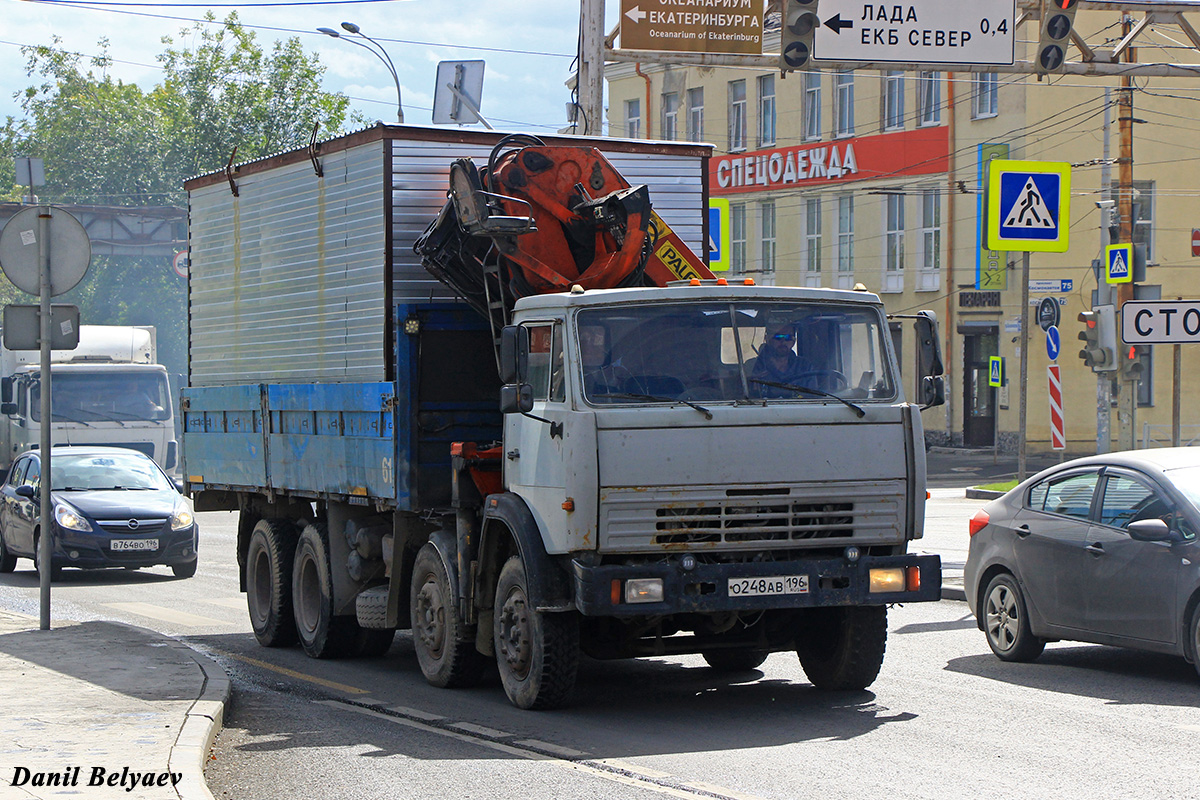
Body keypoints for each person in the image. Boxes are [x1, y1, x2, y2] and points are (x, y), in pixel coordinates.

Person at [746, 322, 817, 397]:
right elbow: (743, 400)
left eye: (788, 338)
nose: (783, 342)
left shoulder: (805, 366)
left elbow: (814, 398)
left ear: (793, 341)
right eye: (778, 337)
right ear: (767, 339)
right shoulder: (752, 366)